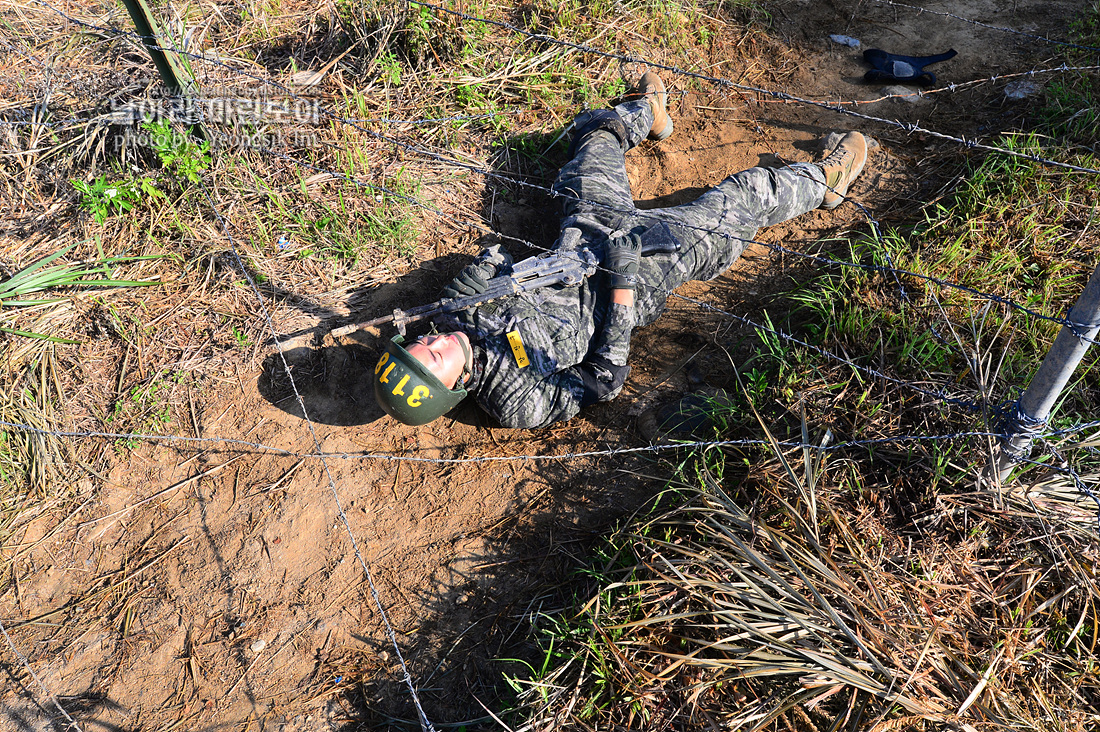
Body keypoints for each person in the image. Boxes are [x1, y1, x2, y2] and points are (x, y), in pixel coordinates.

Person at [372, 73, 868, 429]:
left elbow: (503, 258)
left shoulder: (452, 317)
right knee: (735, 207)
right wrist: (625, 291)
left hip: (584, 235)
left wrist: (487, 269)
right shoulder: (515, 399)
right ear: (453, 387)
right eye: (432, 365)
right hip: (635, 274)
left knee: (593, 136)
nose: (431, 348)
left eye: (416, 349)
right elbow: (604, 380)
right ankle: (825, 179)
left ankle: (648, 112)